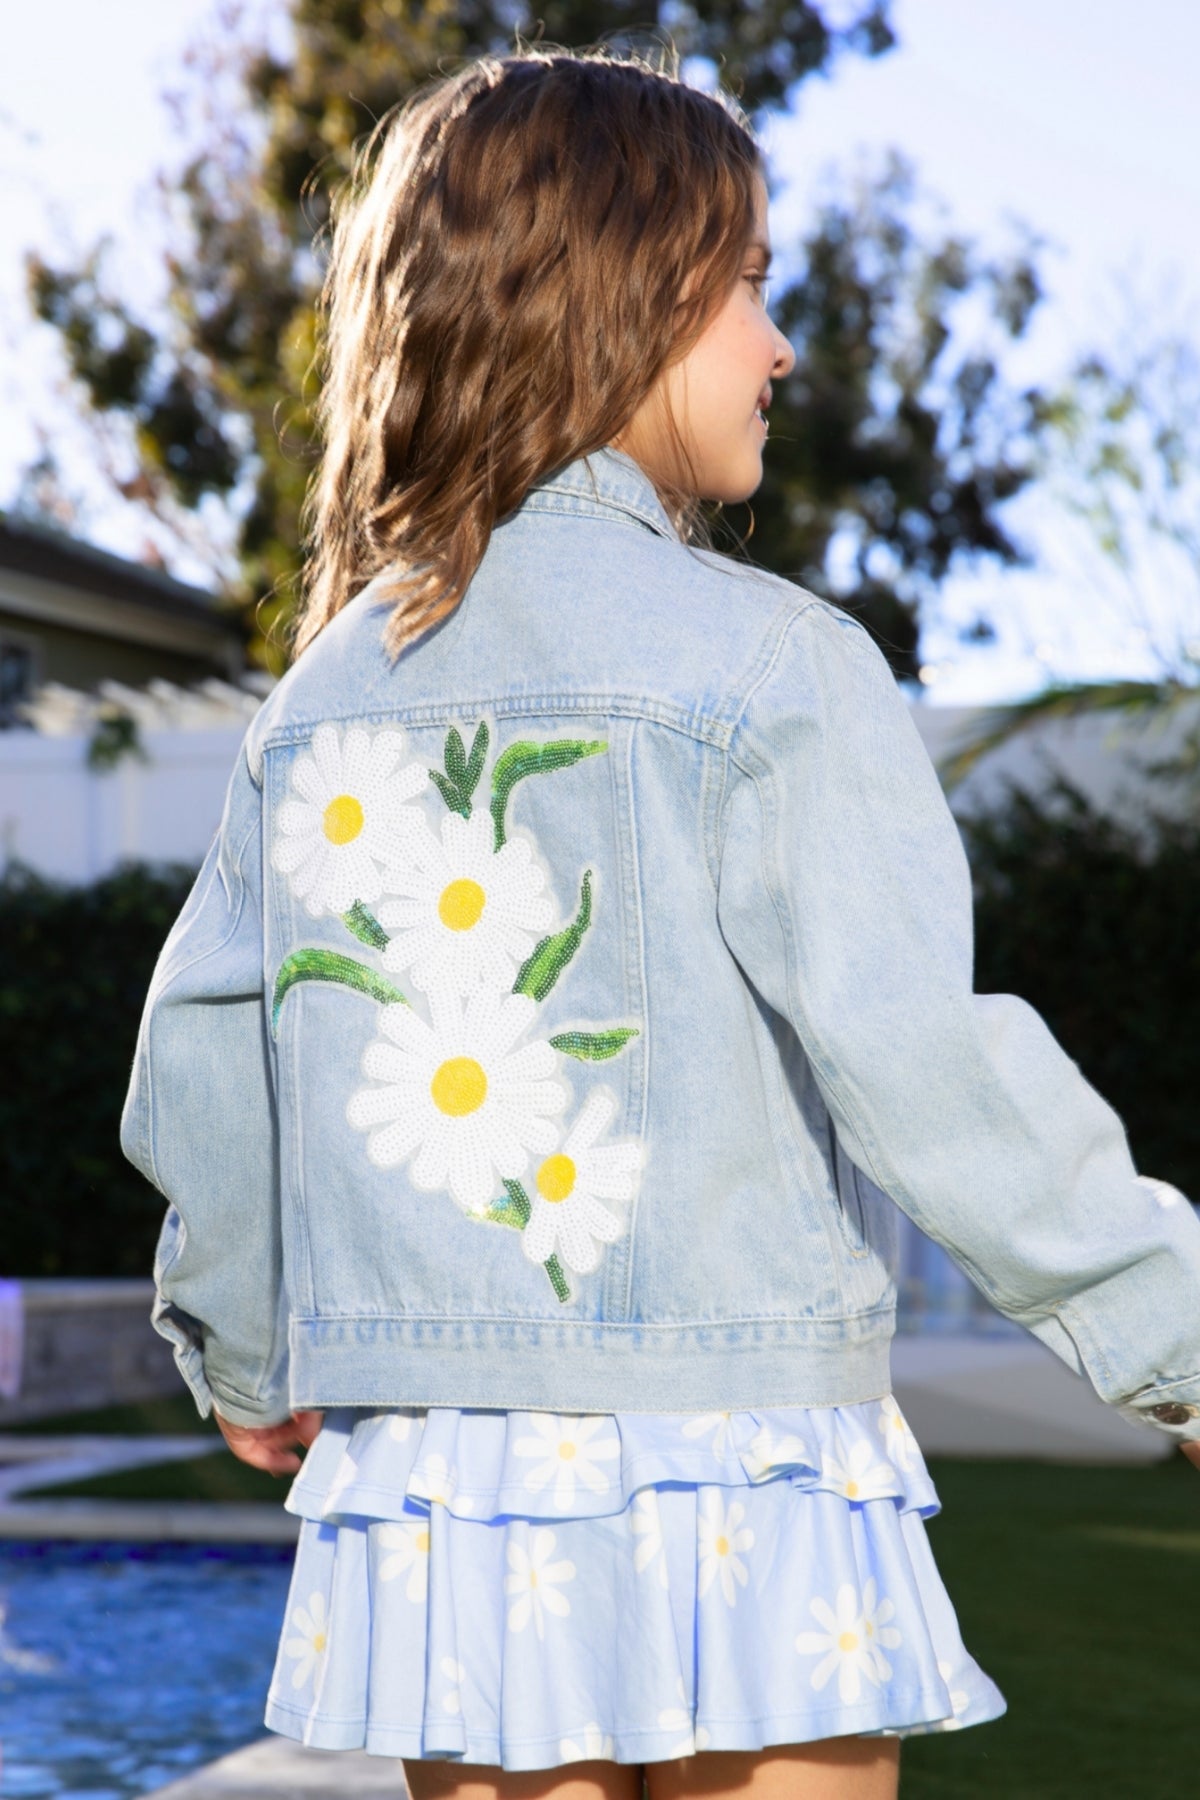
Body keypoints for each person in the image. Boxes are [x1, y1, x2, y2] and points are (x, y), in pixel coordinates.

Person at [120, 43, 1200, 1800]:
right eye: (748, 284)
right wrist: (1177, 1334)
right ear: (615, 301)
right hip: (749, 1460)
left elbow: (211, 1065)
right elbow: (930, 1069)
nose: (780, 346)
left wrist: (239, 1348)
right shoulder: (776, 666)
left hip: (457, 1483)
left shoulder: (319, 703)